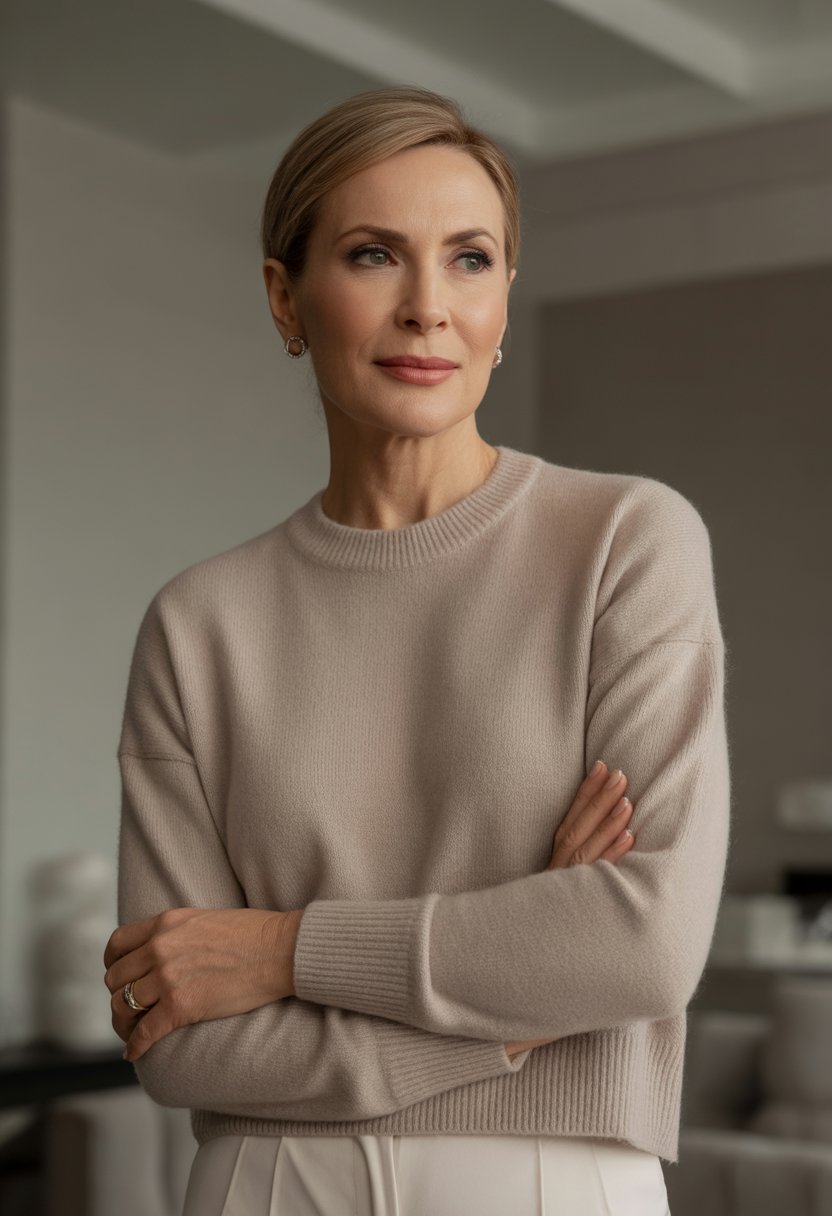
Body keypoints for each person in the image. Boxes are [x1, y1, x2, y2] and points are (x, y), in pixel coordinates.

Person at [103, 86, 730, 1215]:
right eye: (373, 254)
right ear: (286, 298)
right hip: (268, 1183)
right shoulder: (200, 623)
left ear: (504, 297)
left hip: (553, 1177)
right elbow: (179, 1039)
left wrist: (283, 951)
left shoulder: (625, 542)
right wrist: (507, 1018)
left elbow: (640, 951)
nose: (429, 308)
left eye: (471, 258)